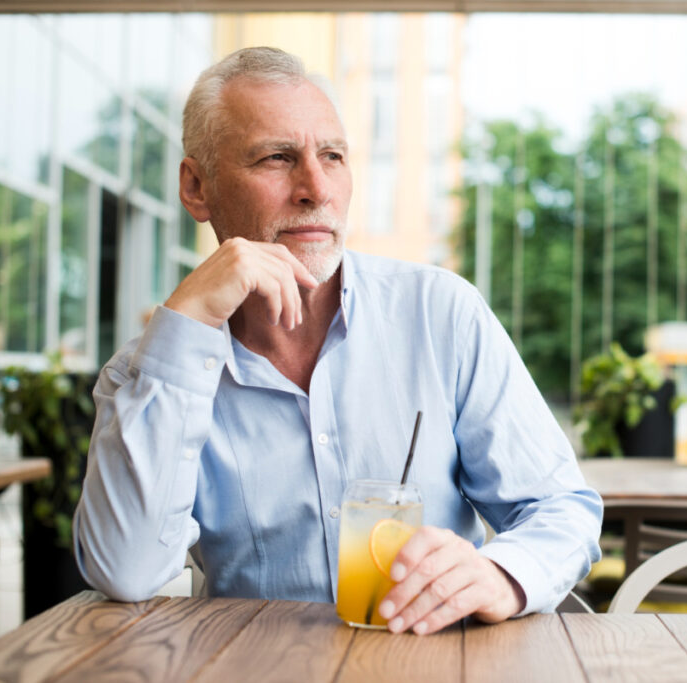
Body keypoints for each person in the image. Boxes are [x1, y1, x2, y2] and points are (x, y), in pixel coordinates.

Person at [73, 46, 602, 636]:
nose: (316, 188)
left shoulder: (441, 314)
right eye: (277, 158)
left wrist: (501, 575)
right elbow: (126, 570)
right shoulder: (147, 375)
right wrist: (188, 319)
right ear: (197, 188)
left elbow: (560, 508)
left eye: (333, 156)